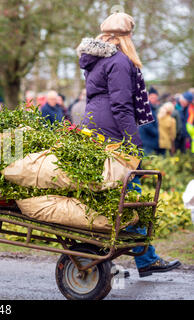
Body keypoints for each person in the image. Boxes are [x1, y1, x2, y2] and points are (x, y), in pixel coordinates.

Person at [76, 11, 180, 277]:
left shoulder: (97, 60)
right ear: (127, 37)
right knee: (129, 194)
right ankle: (146, 260)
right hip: (112, 133)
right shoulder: (119, 62)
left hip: (95, 128)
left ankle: (143, 259)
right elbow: (121, 106)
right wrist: (134, 145)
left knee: (110, 194)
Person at [139, 86, 163, 155]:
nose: (154, 99)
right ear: (148, 97)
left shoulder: (153, 108)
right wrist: (157, 132)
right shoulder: (146, 108)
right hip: (147, 141)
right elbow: (147, 124)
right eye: (152, 98)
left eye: (155, 98)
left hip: (151, 141)